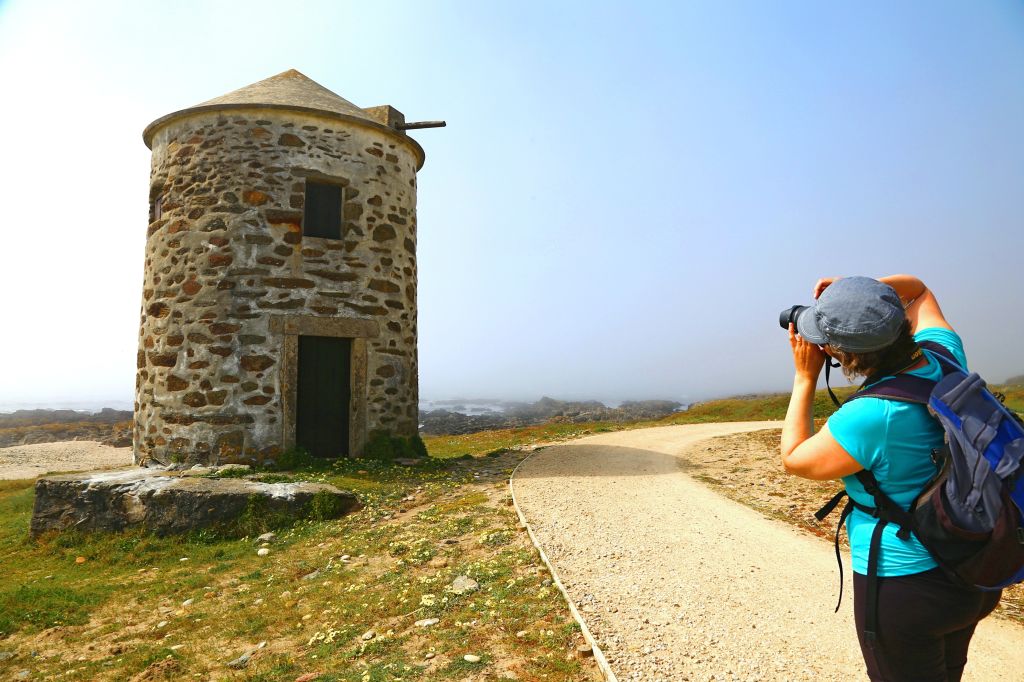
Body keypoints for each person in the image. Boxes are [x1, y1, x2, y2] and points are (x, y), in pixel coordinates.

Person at [780, 274, 1001, 682]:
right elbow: (920, 291)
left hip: (907, 587)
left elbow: (795, 458)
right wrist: (862, 294)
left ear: (839, 353)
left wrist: (804, 377)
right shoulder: (946, 355)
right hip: (975, 569)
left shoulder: (869, 415)